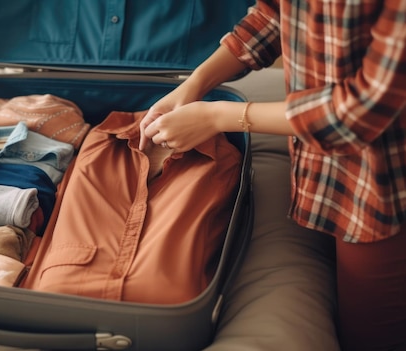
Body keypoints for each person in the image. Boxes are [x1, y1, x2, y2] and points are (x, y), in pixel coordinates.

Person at [139, 1, 406, 350]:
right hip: (327, 165)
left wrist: (218, 116)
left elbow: (361, 110)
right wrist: (195, 84)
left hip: (382, 181)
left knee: (369, 335)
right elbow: (274, 15)